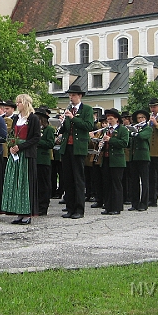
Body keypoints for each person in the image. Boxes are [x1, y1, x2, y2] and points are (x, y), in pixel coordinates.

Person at [2, 94, 41, 224]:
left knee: (25, 184)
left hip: (26, 154)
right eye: (17, 102)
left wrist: (21, 146)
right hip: (16, 154)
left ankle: (27, 213)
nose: (17, 104)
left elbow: (36, 138)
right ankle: (18, 212)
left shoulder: (33, 119)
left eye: (19, 102)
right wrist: (12, 145)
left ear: (25, 103)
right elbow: (12, 134)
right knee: (15, 183)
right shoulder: (16, 118)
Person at [57, 85, 95, 219]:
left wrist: (73, 118)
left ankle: (79, 209)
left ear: (80, 96)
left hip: (78, 147)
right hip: (67, 146)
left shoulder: (87, 110)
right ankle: (70, 207)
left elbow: (88, 126)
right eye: (70, 95)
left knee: (78, 178)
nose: (70, 98)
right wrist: (62, 123)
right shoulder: (68, 110)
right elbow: (65, 130)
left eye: (73, 95)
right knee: (68, 178)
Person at [99, 108, 129, 215]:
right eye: (108, 119)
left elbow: (124, 143)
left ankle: (117, 207)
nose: (109, 121)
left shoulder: (122, 130)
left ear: (117, 119)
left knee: (116, 184)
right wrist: (101, 144)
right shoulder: (106, 130)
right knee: (107, 183)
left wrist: (110, 140)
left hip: (117, 160)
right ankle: (108, 206)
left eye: (111, 119)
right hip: (106, 159)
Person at [127, 110, 152, 211]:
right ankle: (135, 203)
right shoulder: (134, 128)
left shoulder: (148, 128)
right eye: (138, 118)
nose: (140, 119)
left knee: (145, 181)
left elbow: (142, 136)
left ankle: (144, 203)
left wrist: (134, 133)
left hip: (143, 157)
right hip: (134, 157)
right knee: (134, 181)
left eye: (142, 118)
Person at [35, 107, 55, 215]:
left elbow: (50, 144)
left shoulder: (49, 130)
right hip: (35, 159)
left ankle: (43, 206)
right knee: (36, 184)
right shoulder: (35, 129)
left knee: (44, 184)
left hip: (44, 160)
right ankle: (36, 205)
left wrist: (38, 141)